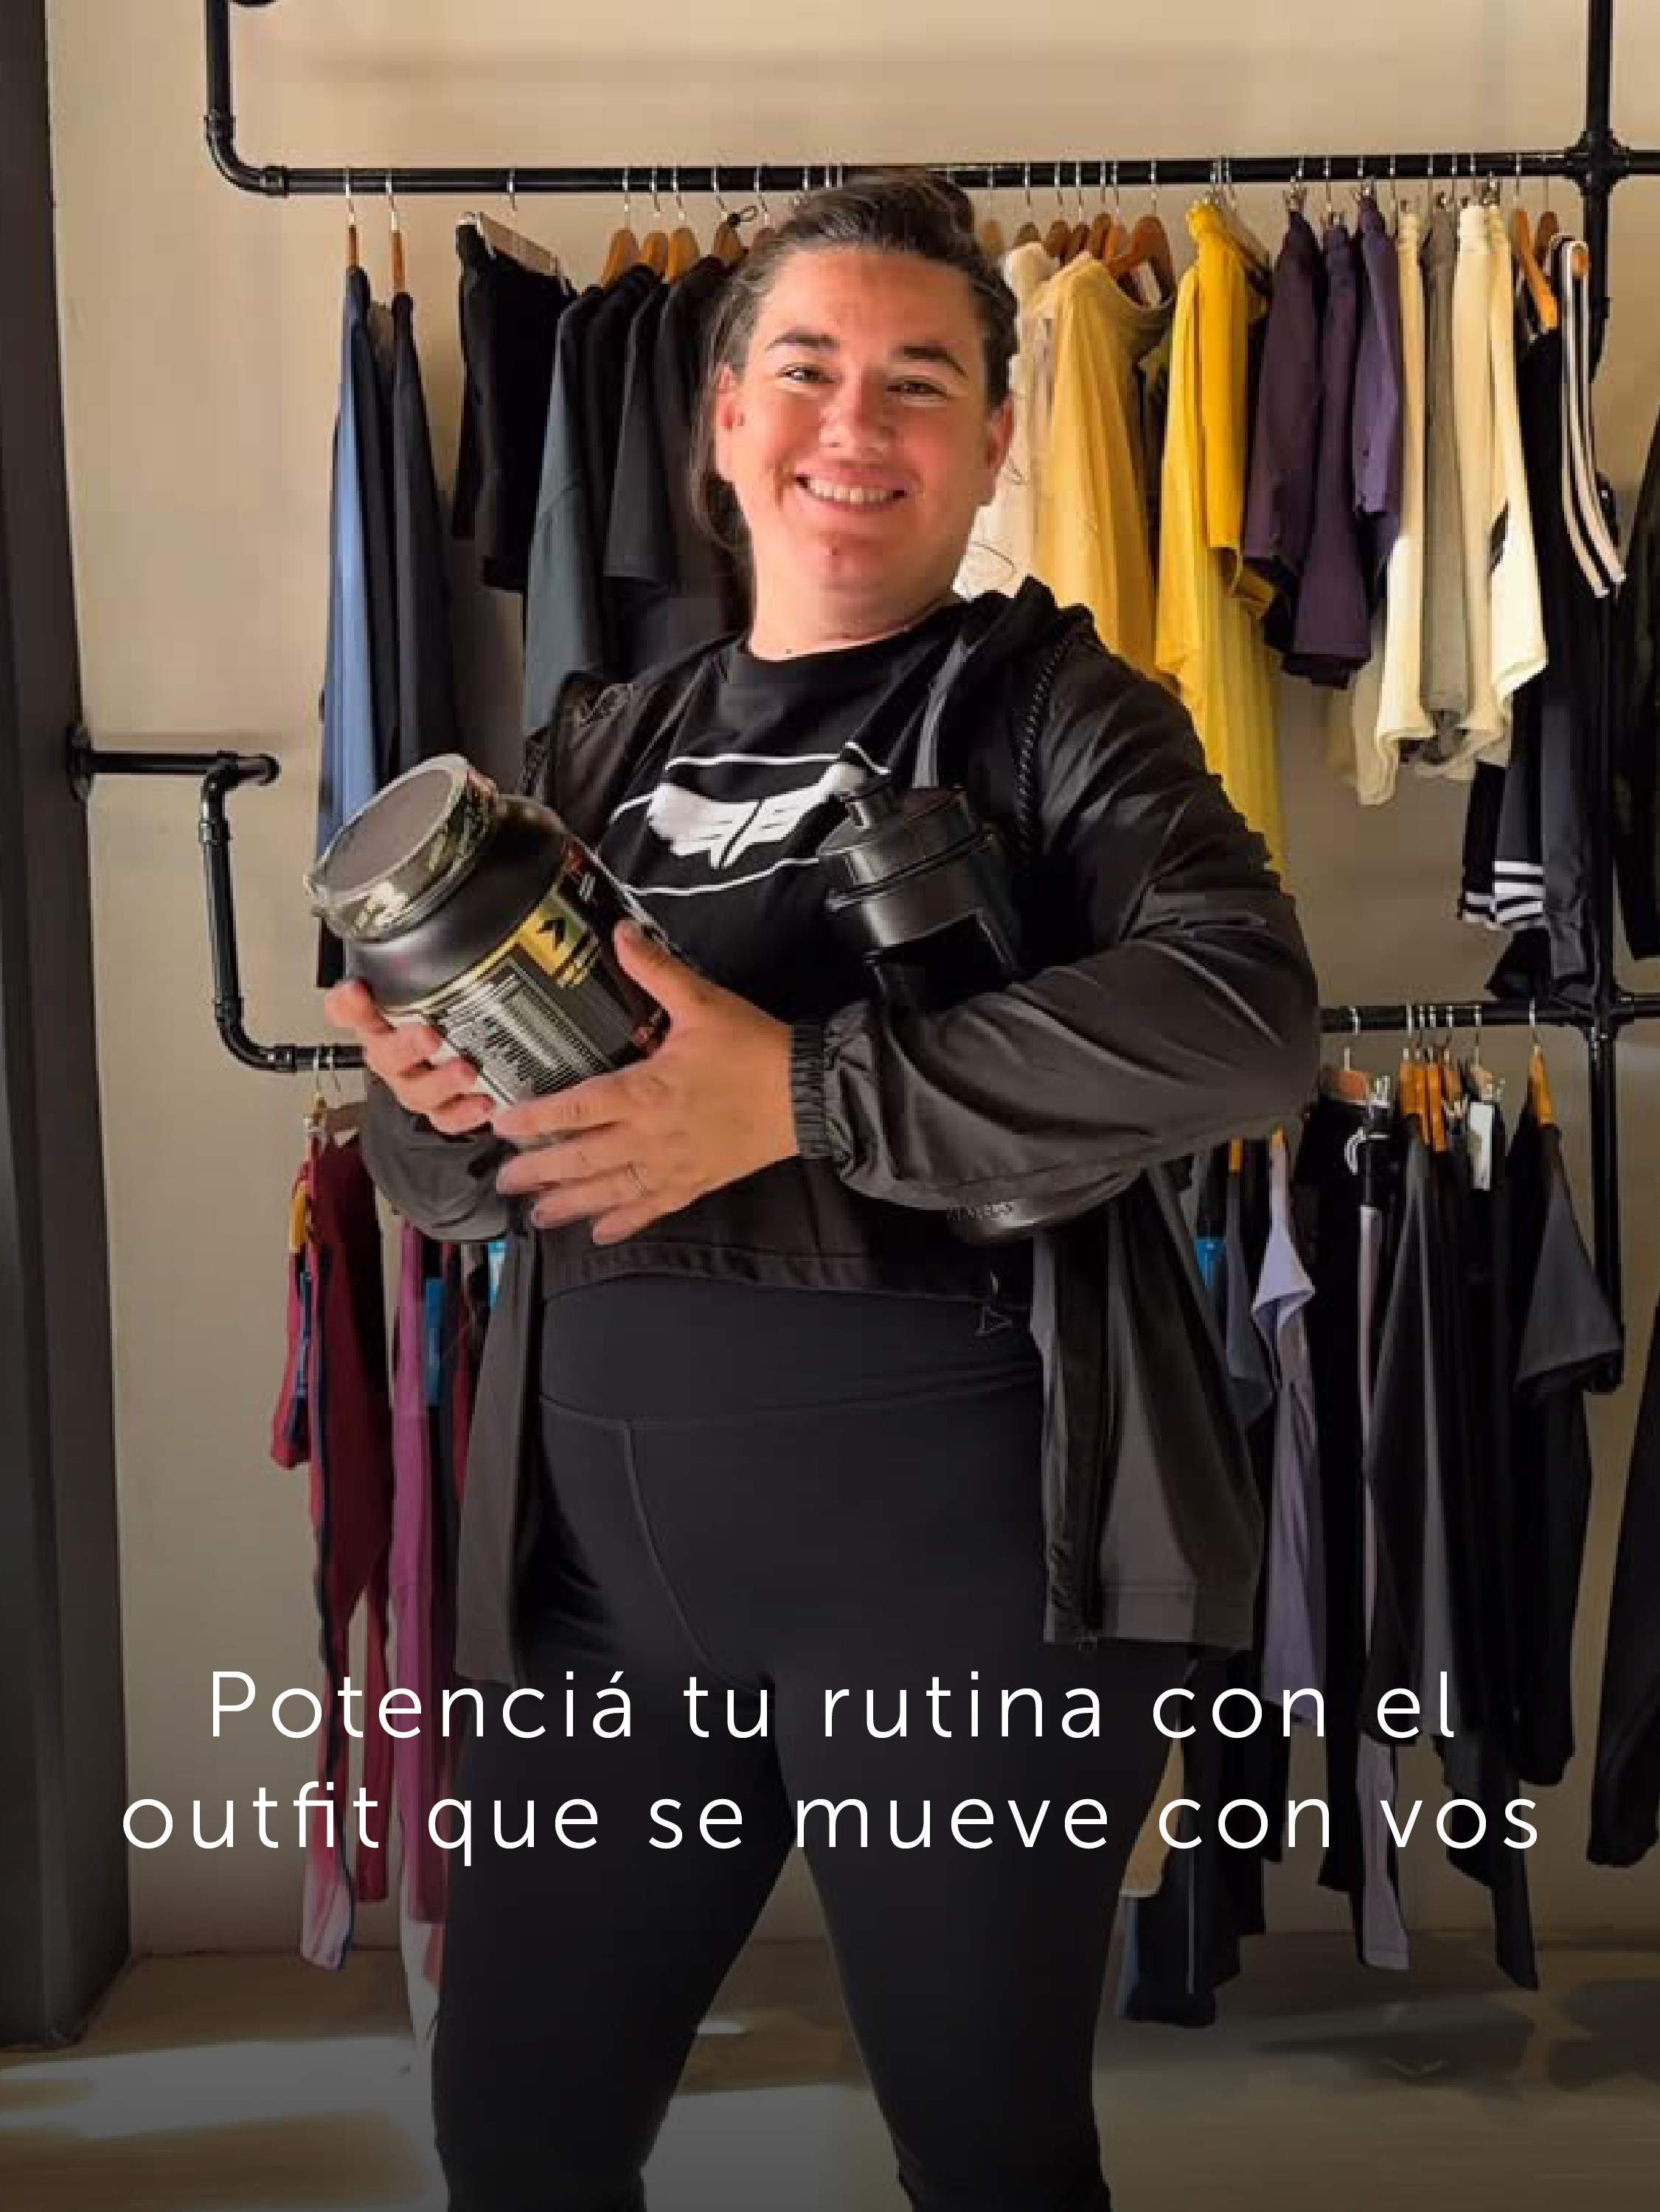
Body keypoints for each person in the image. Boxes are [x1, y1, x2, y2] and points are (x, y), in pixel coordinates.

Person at [325, 170, 1319, 2212]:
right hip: (605, 1601)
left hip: (966, 1598)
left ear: (994, 440)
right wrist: (422, 1108)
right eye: (803, 369)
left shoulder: (1054, 715)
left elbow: (1245, 1020)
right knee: (516, 2139)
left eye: (918, 380)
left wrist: (800, 1095)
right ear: (720, 417)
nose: (851, 424)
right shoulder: (595, 750)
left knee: (986, 2153)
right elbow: (465, 1190)